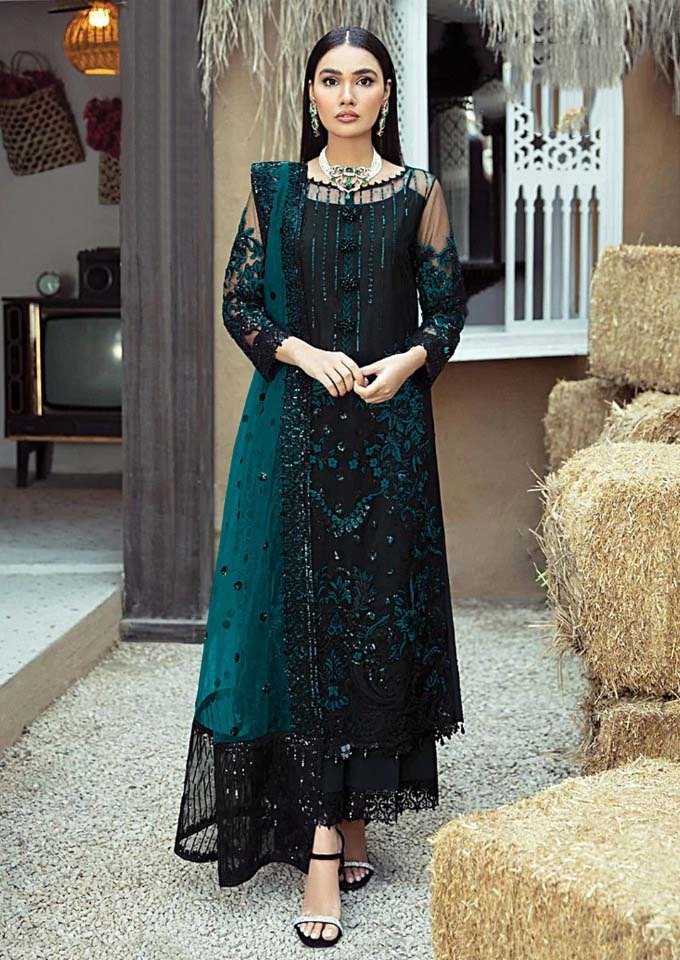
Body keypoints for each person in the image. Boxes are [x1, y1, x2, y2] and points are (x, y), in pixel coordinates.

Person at [174, 23, 468, 949]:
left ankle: (354, 810)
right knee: (303, 628)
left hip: (388, 441)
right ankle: (320, 848)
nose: (347, 95)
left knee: (374, 622)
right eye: (331, 80)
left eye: (364, 79)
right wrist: (301, 352)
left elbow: (446, 313)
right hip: (293, 439)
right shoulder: (276, 191)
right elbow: (240, 303)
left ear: (386, 95)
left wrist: (407, 362)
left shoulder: (418, 193)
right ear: (311, 96)